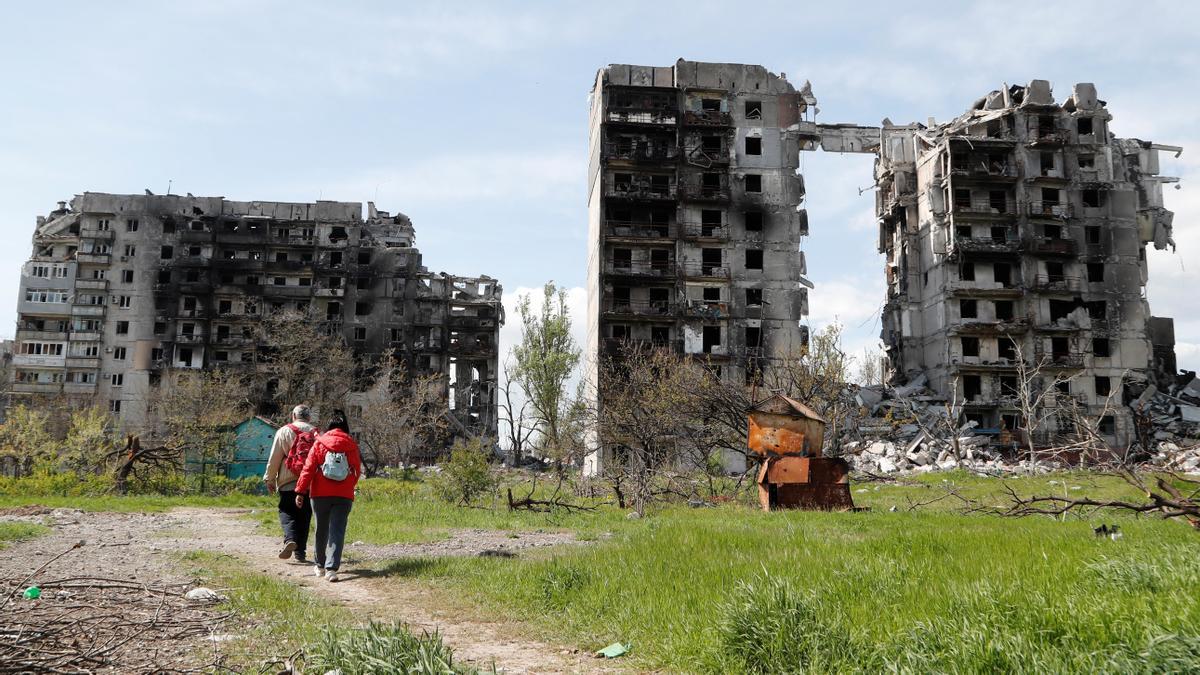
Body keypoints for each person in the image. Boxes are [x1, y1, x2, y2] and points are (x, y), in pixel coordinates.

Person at [294, 410, 361, 583]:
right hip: (343, 495)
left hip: (320, 494)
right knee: (337, 530)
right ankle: (332, 569)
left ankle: (320, 565)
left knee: (321, 529)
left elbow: (308, 469)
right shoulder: (351, 444)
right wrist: (347, 487)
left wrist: (301, 491)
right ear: (345, 426)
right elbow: (356, 471)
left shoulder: (319, 443)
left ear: (328, 426)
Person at [263, 404, 317, 563]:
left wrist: (270, 479)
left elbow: (275, 458)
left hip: (288, 480)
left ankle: (290, 539)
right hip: (309, 482)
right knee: (305, 516)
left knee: (287, 511)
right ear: (309, 417)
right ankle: (301, 553)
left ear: (293, 416)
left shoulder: (284, 431)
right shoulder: (316, 433)